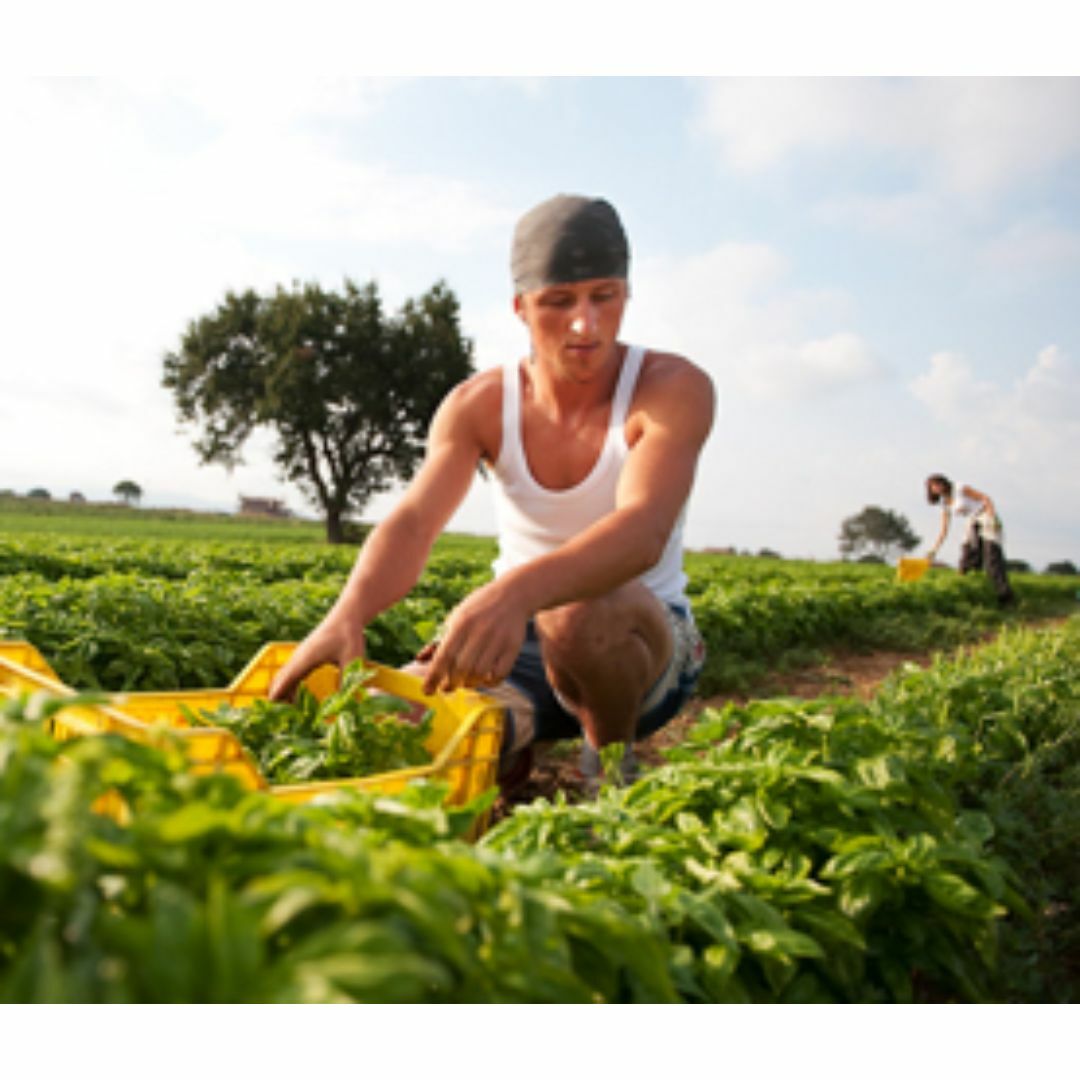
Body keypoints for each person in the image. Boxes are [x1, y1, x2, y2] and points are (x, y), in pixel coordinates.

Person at [268, 193, 715, 791]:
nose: (586, 323)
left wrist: (510, 595)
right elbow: (416, 521)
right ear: (521, 308)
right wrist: (346, 615)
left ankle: (608, 773)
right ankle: (508, 741)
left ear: (625, 295)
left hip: (640, 643)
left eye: (604, 297)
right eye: (559, 302)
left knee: (576, 614)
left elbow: (642, 530)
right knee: (400, 732)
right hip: (522, 638)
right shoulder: (478, 404)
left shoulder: (671, 388)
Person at [925, 473, 1016, 606]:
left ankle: (1005, 598)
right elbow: (944, 530)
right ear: (931, 491)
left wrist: (992, 518)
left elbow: (985, 498)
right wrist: (934, 550)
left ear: (944, 483)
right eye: (933, 486)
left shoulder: (960, 488)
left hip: (985, 516)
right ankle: (969, 595)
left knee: (992, 558)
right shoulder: (944, 504)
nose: (937, 487)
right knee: (967, 557)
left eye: (938, 484)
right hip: (972, 521)